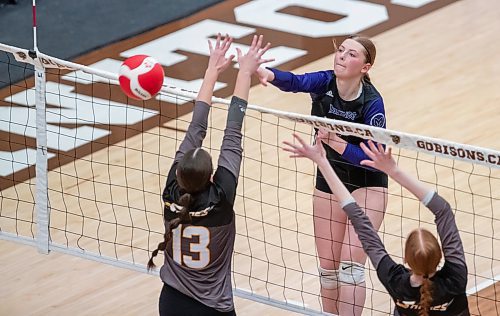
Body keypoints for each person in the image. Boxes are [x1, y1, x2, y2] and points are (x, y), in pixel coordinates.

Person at [255, 35, 388, 314]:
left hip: (367, 184)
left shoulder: (372, 103)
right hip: (329, 177)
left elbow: (375, 159)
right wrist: (266, 72)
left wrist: (336, 142)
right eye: (341, 50)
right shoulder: (325, 82)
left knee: (351, 265)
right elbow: (295, 82)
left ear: (366, 67)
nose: (342, 56)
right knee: (329, 269)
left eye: (352, 54)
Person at [147, 34, 272, 316]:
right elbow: (233, 129)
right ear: (211, 176)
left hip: (171, 302)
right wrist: (244, 72)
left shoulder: (170, 192)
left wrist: (211, 71)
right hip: (213, 308)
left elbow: (196, 128)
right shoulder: (221, 196)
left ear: (179, 173)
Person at [283, 135, 470, 316]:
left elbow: (359, 220)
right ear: (439, 257)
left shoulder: (396, 282)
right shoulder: (456, 279)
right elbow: (444, 211)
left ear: (405, 259)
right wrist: (394, 171)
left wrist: (323, 162)